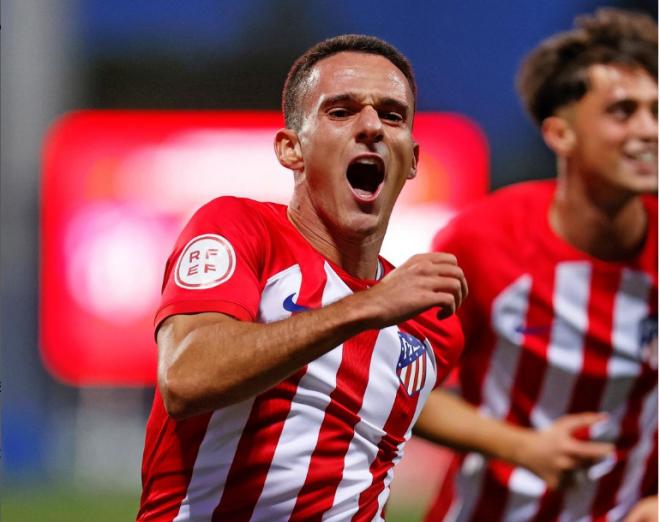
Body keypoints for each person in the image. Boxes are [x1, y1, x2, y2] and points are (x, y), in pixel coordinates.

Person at [137, 34, 468, 521]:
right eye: (341, 111)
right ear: (291, 149)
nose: (372, 126)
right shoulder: (241, 230)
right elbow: (187, 378)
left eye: (392, 115)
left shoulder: (430, 326)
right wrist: (367, 306)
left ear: (413, 160)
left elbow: (374, 453)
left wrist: (527, 448)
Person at [416, 8, 658, 522]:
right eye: (623, 111)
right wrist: (521, 446)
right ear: (560, 134)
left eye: (657, 111)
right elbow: (404, 383)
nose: (649, 130)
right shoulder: (483, 237)